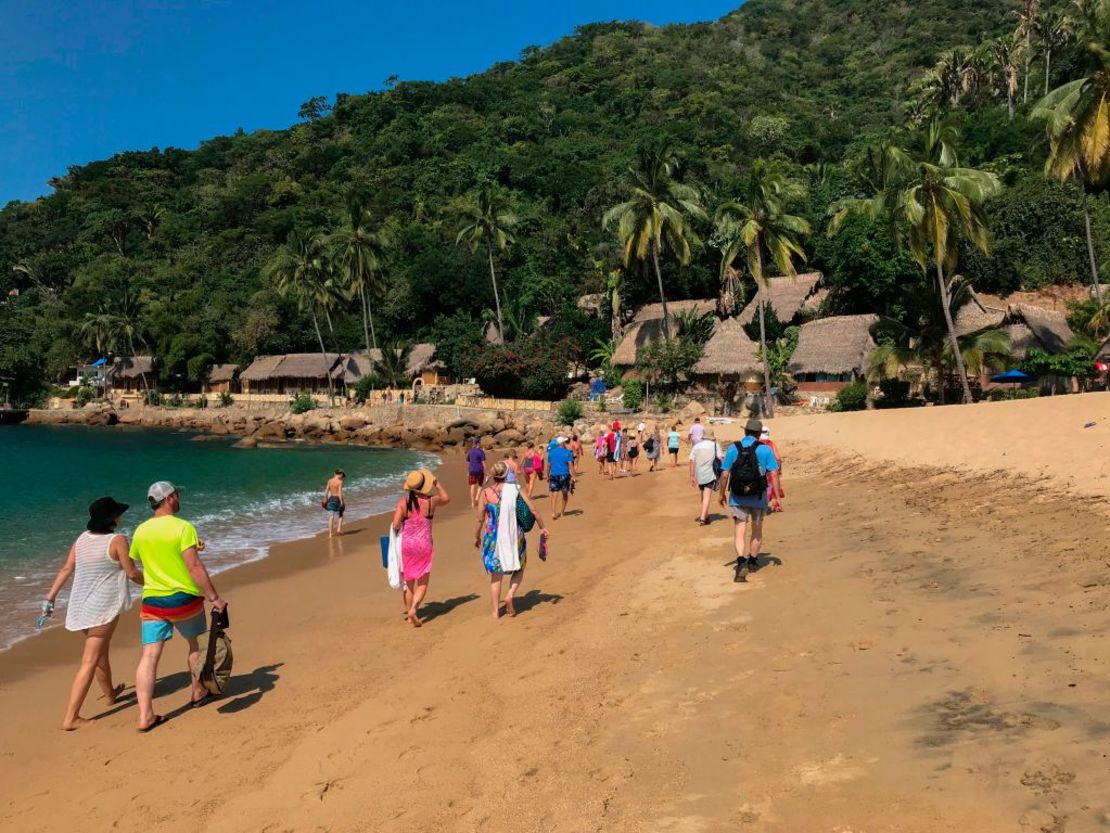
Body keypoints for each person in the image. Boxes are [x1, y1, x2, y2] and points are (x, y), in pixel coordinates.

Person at [130, 482, 227, 731]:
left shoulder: (140, 530)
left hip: (153, 600)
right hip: (184, 599)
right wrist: (214, 598)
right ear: (169, 498)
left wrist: (152, 582)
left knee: (150, 655)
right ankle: (197, 691)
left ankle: (145, 715)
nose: (179, 498)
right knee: (195, 643)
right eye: (177, 495)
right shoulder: (183, 527)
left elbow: (135, 568)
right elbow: (193, 567)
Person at [41, 497, 143, 730]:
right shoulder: (118, 540)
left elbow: (66, 568)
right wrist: (154, 582)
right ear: (112, 519)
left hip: (80, 607)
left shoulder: (82, 539)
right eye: (118, 513)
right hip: (102, 609)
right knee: (90, 660)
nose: (120, 516)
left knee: (99, 654)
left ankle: (110, 695)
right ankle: (71, 717)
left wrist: (50, 598)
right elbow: (131, 573)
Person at [475, 462, 549, 619]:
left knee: (496, 575)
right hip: (514, 534)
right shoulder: (515, 489)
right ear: (506, 474)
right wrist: (542, 527)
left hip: (492, 536)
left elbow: (480, 518)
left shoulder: (485, 493)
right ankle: (510, 595)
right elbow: (533, 510)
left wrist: (477, 536)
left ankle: (495, 612)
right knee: (519, 567)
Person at [718, 420, 782, 582]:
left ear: (745, 432)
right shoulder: (765, 449)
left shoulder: (733, 448)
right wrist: (776, 497)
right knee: (757, 529)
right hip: (758, 497)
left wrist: (721, 494)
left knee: (740, 529)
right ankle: (752, 561)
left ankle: (741, 560)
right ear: (759, 434)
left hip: (738, 496)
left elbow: (725, 474)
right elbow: (774, 474)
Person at [392, 469, 450, 627]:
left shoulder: (403, 502)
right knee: (422, 583)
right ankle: (414, 609)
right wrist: (437, 483)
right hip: (424, 544)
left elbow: (396, 524)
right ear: (424, 485)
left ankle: (409, 612)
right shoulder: (431, 501)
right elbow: (446, 498)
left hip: (407, 545)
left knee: (408, 583)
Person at [688, 430, 722, 526]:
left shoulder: (696, 446)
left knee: (703, 494)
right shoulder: (715, 445)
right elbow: (720, 458)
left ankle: (705, 515)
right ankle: (703, 518)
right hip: (710, 473)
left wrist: (692, 475)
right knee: (707, 495)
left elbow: (691, 461)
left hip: (699, 474)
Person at [547, 437, 576, 519]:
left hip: (554, 474)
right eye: (564, 442)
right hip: (564, 474)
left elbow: (549, 465)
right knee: (565, 494)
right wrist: (574, 476)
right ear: (562, 443)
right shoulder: (567, 452)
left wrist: (548, 475)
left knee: (554, 494)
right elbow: (571, 465)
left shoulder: (551, 453)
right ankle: (562, 512)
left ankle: (553, 512)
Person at [760, 426, 785, 513]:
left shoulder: (755, 444)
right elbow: (777, 458)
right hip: (771, 469)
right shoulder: (770, 443)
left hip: (759, 471)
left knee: (762, 488)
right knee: (773, 486)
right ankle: (776, 504)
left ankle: (761, 506)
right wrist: (779, 469)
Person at [323, 469, 346, 537]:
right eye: (342, 475)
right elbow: (339, 492)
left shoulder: (330, 480)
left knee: (331, 517)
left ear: (334, 473)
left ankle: (330, 534)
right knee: (341, 515)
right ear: (340, 474)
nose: (342, 477)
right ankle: (338, 530)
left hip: (331, 499)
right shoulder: (340, 481)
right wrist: (342, 502)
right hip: (337, 500)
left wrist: (325, 499)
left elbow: (326, 490)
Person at [466, 439, 486, 507]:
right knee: (480, 485)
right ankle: (477, 498)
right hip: (480, 470)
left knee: (472, 486)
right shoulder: (481, 452)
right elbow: (483, 462)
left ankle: (472, 503)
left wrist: (468, 471)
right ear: (478, 444)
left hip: (471, 470)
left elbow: (468, 463)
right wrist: (485, 471)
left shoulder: (470, 452)